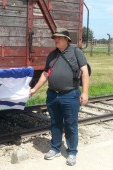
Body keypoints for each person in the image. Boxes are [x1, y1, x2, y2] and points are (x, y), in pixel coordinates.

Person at [30, 28, 89, 166]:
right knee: (55, 123)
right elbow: (45, 74)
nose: (56, 40)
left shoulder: (76, 52)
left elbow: (85, 73)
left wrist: (85, 92)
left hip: (70, 95)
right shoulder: (52, 55)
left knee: (71, 124)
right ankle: (55, 148)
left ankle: (72, 152)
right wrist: (34, 89)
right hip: (53, 95)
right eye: (55, 37)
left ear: (66, 40)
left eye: (59, 38)